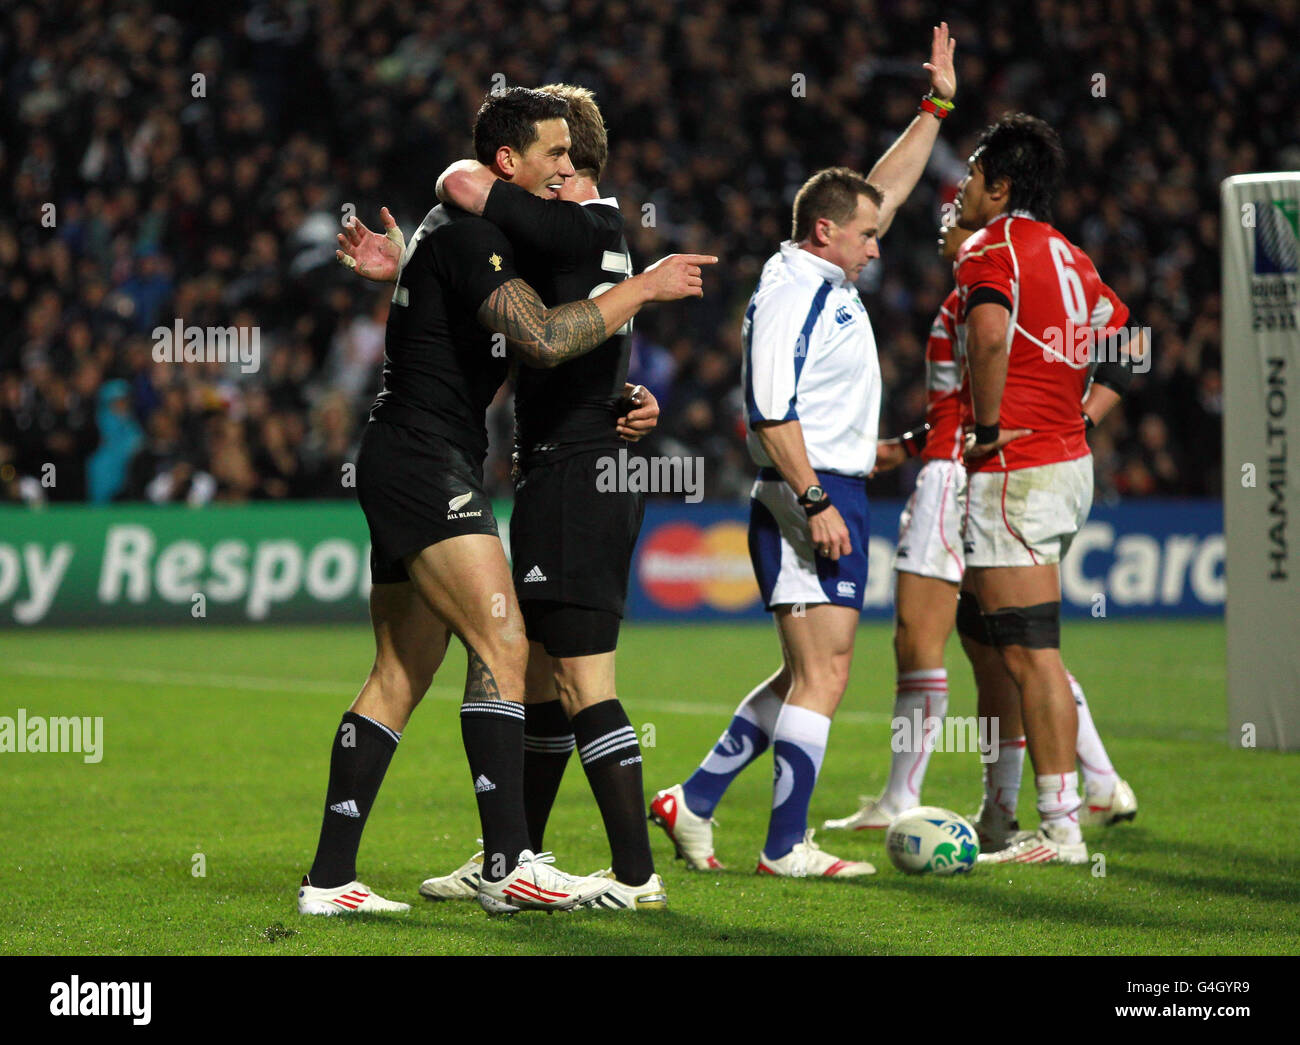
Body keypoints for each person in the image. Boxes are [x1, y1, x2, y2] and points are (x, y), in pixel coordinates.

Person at [298, 87, 714, 915]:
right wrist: (646, 288)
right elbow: (544, 338)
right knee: (505, 640)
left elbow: (483, 322)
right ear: (508, 163)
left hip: (408, 455)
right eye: (555, 155)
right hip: (428, 461)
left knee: (398, 674)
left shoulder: (458, 234)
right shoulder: (479, 229)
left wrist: (405, 266)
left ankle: (330, 878)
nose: (568, 167)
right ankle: (509, 863)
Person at [648, 24, 957, 878]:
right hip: (805, 496)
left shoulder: (825, 273)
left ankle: (694, 799)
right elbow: (770, 409)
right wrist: (817, 499)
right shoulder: (792, 289)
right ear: (825, 230)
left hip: (835, 485)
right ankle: (785, 844)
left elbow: (883, 193)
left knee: (809, 670)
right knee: (824, 670)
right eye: (864, 234)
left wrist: (935, 107)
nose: (878, 242)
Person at [823, 223, 1138, 843]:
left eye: (957, 213)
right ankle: (1093, 784)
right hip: (966, 465)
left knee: (962, 639)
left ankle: (908, 796)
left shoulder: (988, 289)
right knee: (1003, 639)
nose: (945, 223)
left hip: (962, 476)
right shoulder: (976, 293)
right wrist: (910, 444)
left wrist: (1066, 419)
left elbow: (977, 408)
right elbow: (957, 408)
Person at [951, 113, 1138, 864]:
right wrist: (1080, 419)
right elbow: (1127, 349)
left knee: (1031, 651)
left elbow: (990, 335)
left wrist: (991, 426)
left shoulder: (989, 247)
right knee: (984, 638)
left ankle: (1060, 822)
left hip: (1016, 474)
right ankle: (999, 810)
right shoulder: (1070, 255)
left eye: (970, 174)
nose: (961, 186)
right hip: (1059, 463)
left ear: (998, 186)